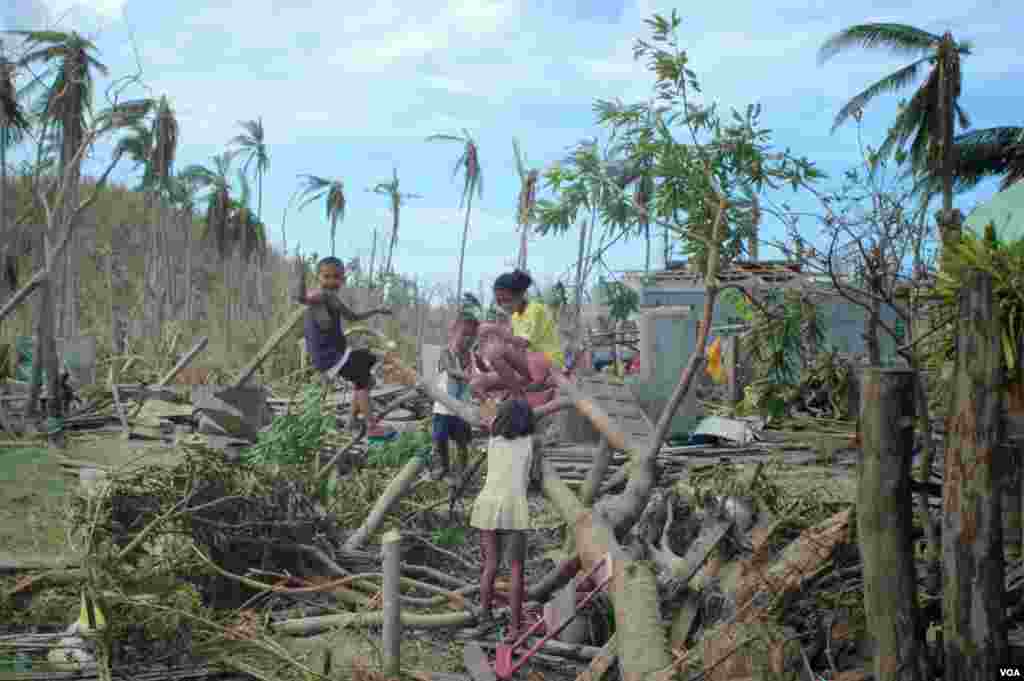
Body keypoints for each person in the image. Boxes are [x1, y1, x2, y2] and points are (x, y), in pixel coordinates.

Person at [299, 256, 394, 438]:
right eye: (326, 277)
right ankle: (371, 427)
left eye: (336, 277)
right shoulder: (319, 295)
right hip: (329, 356)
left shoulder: (333, 299)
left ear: (342, 279)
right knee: (363, 376)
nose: (331, 281)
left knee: (367, 370)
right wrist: (300, 278)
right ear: (318, 277)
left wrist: (377, 310)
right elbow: (303, 298)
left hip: (338, 354)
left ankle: (351, 422)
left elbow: (353, 317)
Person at [469, 399, 537, 641]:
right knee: (516, 568)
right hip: (512, 505)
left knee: (491, 566)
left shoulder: (493, 441)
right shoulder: (531, 443)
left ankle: (485, 620)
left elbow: (490, 419)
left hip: (487, 504)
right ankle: (515, 628)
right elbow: (536, 476)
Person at [470, 270, 565, 405]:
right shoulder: (515, 317)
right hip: (528, 368)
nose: (503, 305)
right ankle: (493, 417)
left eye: (506, 300)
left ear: (520, 295)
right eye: (499, 302)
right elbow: (515, 353)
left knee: (496, 351)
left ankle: (519, 399)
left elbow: (523, 343)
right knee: (475, 385)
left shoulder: (535, 310)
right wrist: (484, 363)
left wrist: (494, 329)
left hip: (547, 363)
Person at [429, 302, 480, 481]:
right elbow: (451, 371)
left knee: (462, 441)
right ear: (453, 332)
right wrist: (470, 377)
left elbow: (480, 374)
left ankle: (462, 471)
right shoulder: (446, 353)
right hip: (444, 406)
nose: (468, 339)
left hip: (462, 407)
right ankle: (443, 467)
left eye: (472, 336)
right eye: (464, 334)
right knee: (440, 438)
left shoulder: (472, 356)